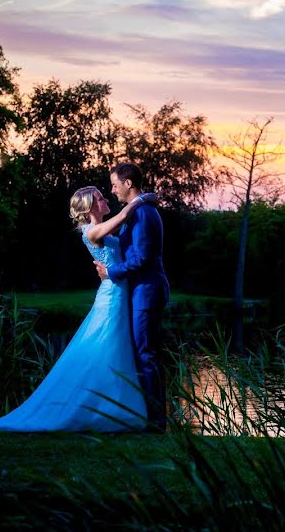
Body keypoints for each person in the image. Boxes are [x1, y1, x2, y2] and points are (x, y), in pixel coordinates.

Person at [0, 186, 154, 433]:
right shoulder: (91, 231)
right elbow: (123, 217)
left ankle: (119, 410)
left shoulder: (103, 228)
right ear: (90, 206)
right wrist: (141, 199)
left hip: (119, 294)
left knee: (116, 347)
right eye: (100, 198)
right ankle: (111, 412)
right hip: (112, 297)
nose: (105, 199)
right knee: (108, 346)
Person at [95, 162, 170, 432]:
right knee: (142, 353)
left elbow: (141, 258)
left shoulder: (143, 214)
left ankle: (157, 422)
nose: (112, 190)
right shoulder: (137, 211)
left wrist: (110, 272)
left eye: (115, 184)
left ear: (128, 184)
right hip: (139, 291)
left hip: (146, 292)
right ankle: (147, 415)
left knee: (146, 354)